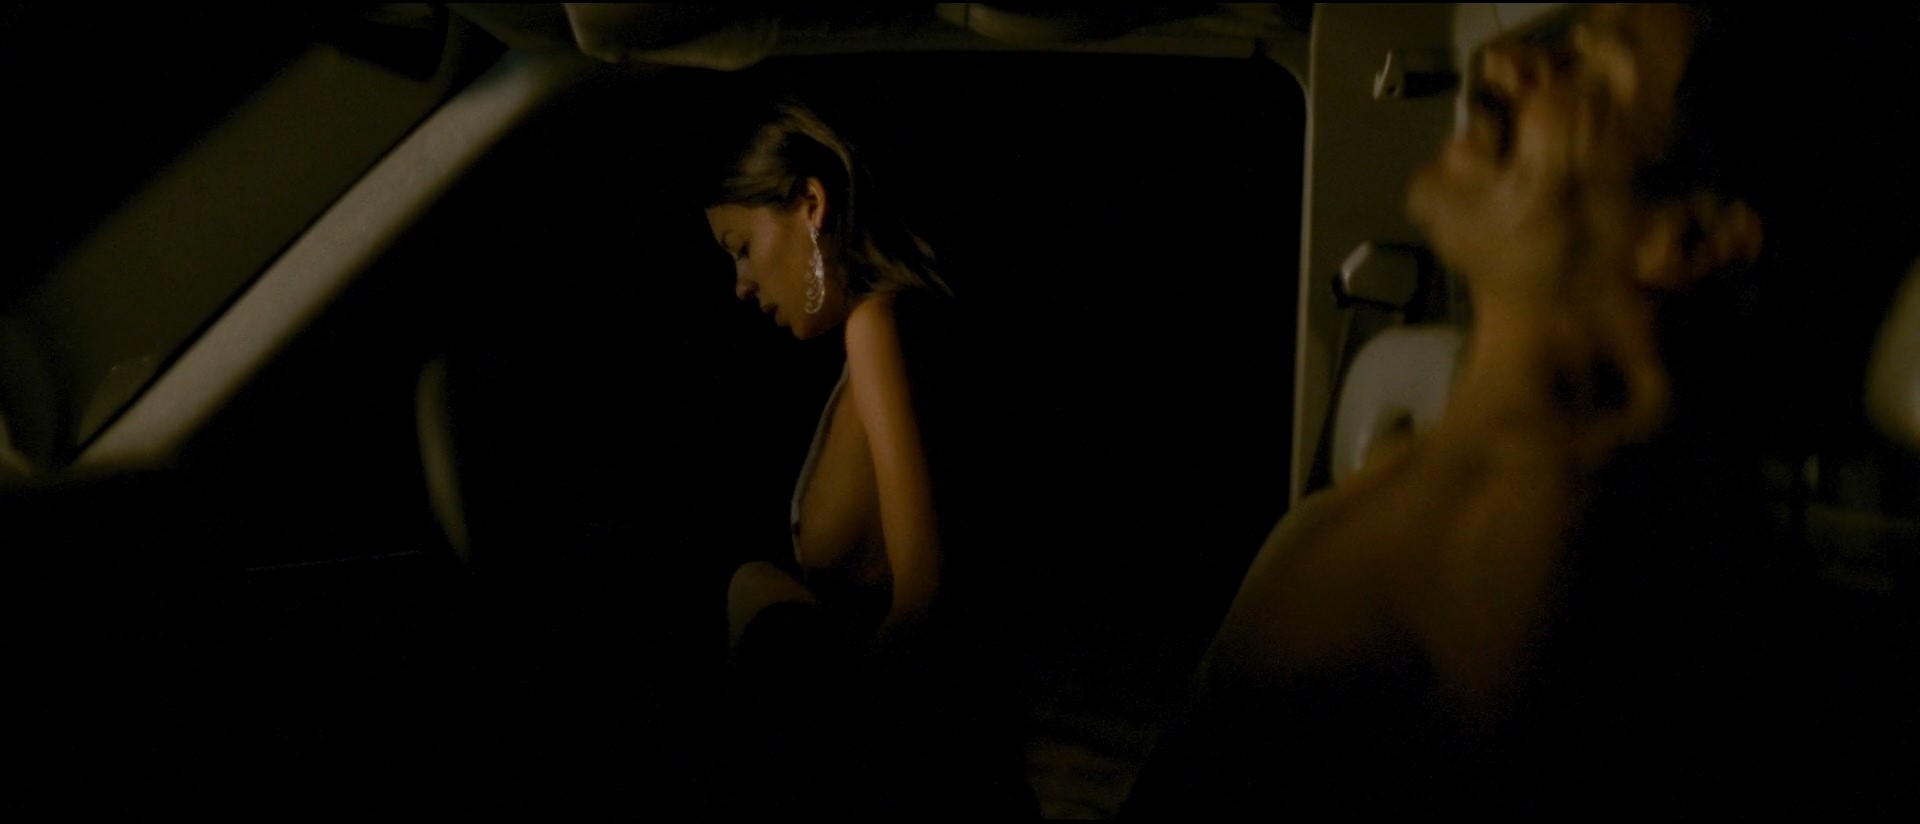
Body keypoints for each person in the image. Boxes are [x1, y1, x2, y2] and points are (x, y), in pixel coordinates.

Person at [1126, 4, 1920, 815]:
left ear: (1688, 238)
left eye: (1591, 73)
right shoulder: (1462, 481)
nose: (1507, 64)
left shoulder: (1568, 584)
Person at [699, 96, 1030, 816]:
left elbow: (925, 602)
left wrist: (835, 756)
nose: (741, 285)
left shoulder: (879, 324)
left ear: (810, 204)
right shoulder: (903, 328)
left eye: (741, 247)